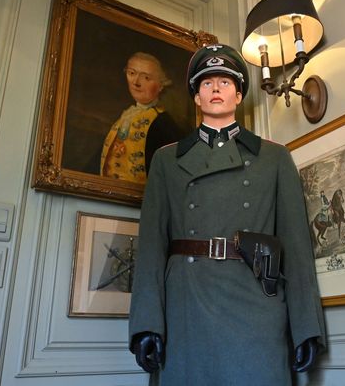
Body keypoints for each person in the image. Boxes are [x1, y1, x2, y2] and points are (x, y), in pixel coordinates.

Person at [128, 44, 326, 385]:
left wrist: (306, 326)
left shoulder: (274, 157)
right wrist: (147, 324)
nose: (215, 88)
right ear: (197, 98)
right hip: (187, 307)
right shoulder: (167, 160)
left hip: (255, 301)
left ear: (238, 95)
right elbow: (150, 250)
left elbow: (296, 249)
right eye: (206, 83)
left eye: (224, 81)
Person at [100, 52, 180, 184]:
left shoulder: (164, 123)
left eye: (146, 78)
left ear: (161, 85)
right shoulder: (126, 115)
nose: (136, 82)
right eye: (132, 73)